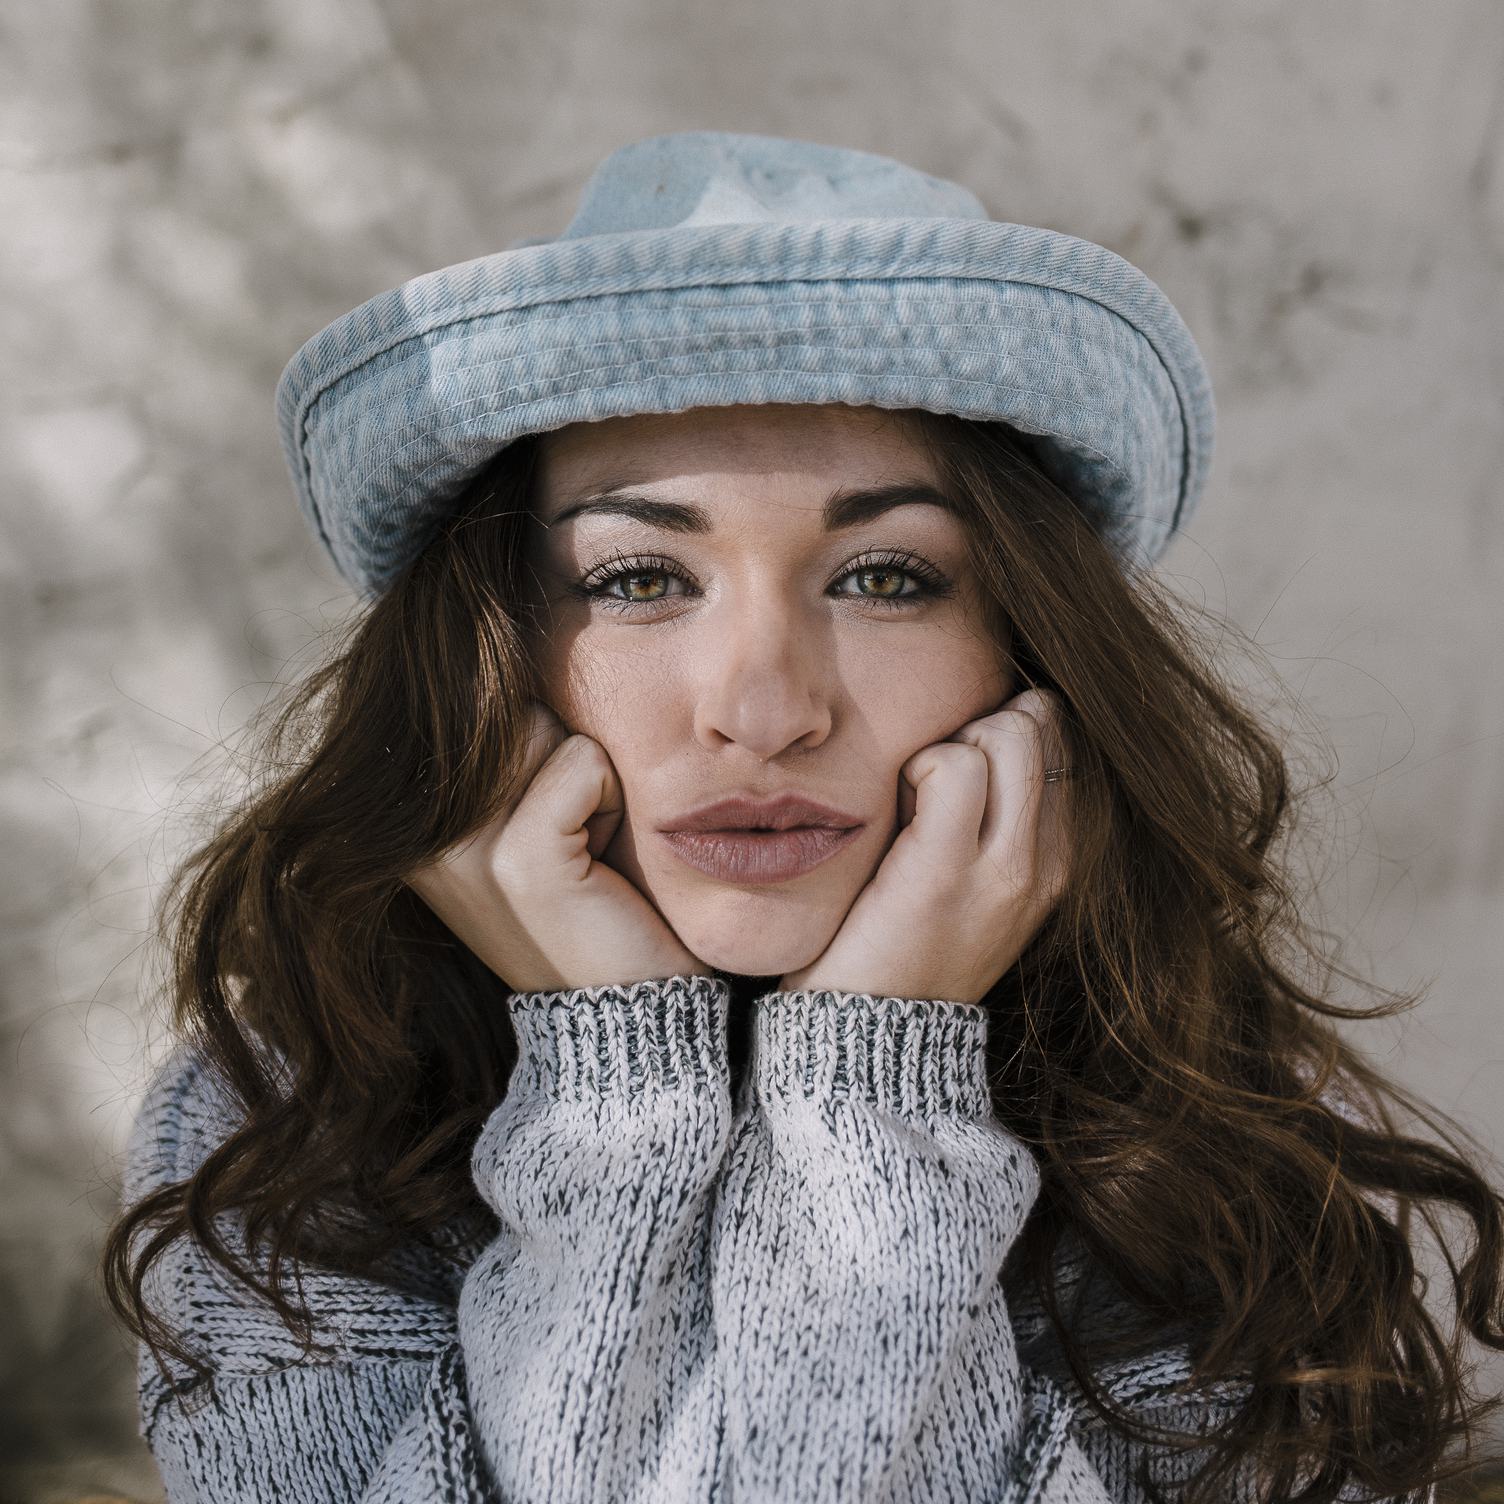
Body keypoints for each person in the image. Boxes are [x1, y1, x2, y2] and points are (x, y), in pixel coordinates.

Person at [101, 131, 1500, 1503]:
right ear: (489, 652)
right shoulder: (278, 1118)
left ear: (1029, 657)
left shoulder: (1204, 1128)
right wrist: (618, 1111)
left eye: (886, 577)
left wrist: (872, 1104)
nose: (764, 709)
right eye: (639, 577)